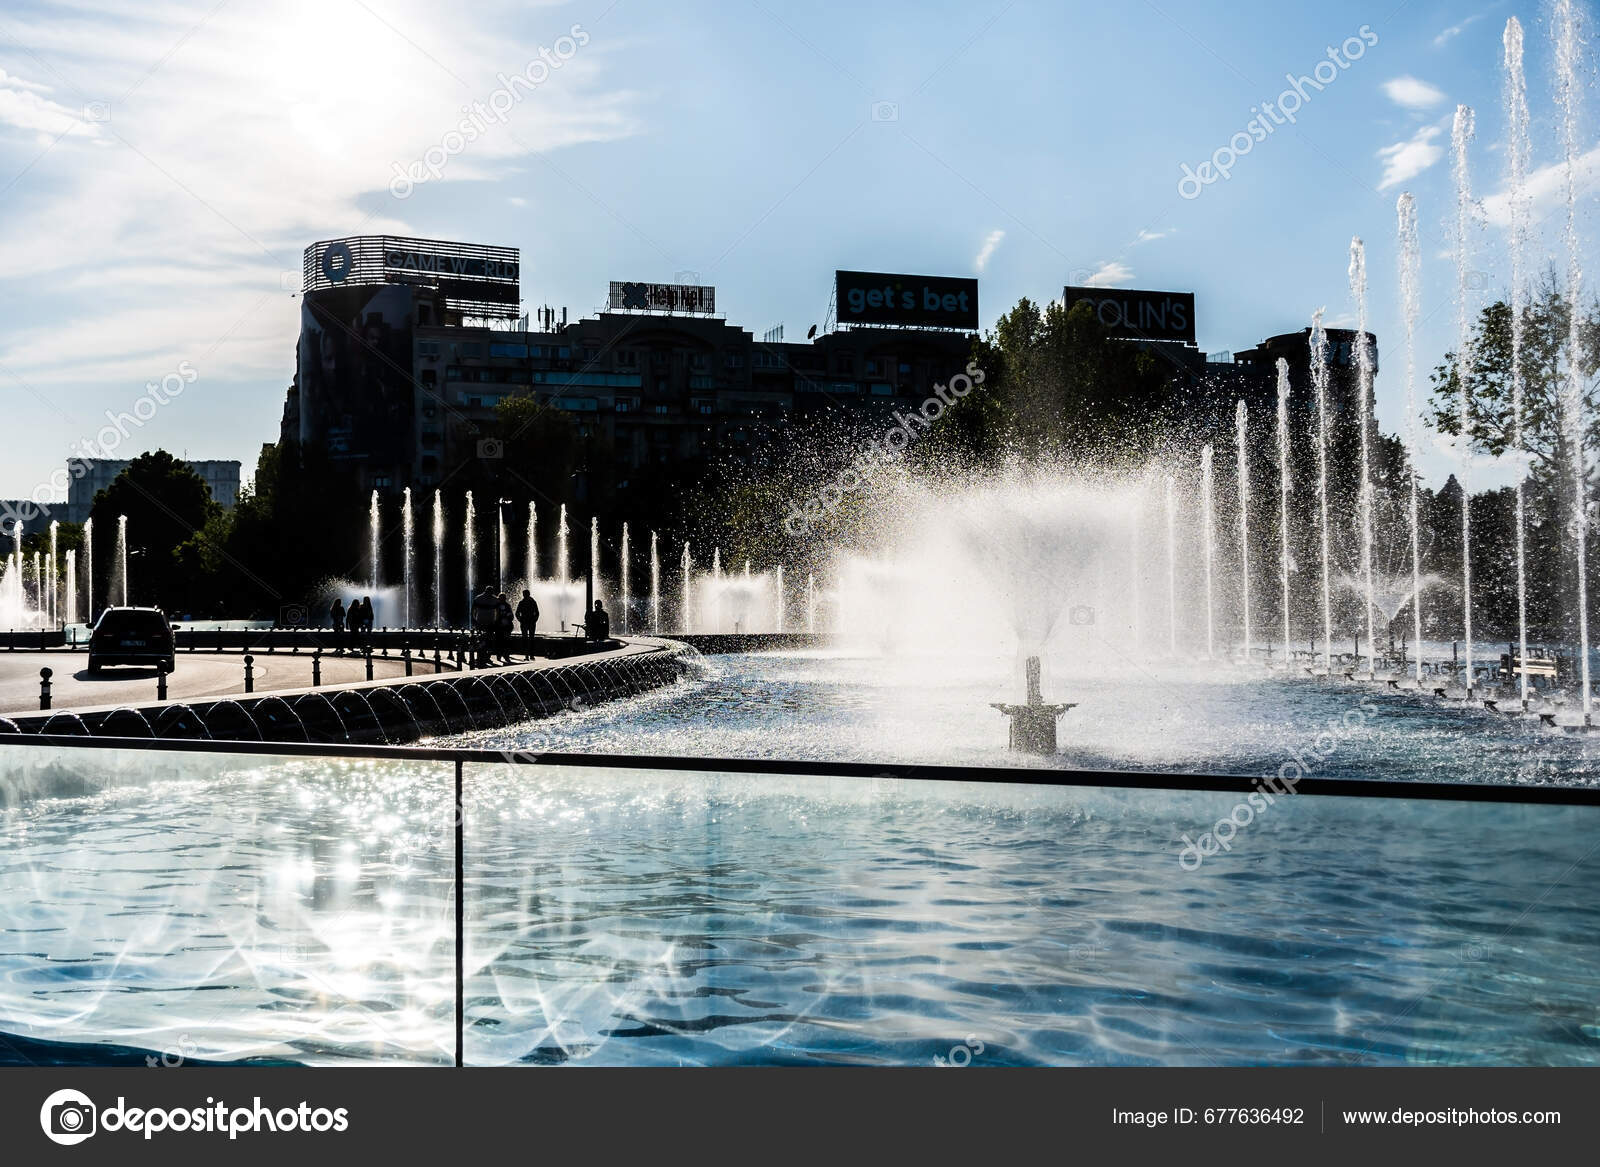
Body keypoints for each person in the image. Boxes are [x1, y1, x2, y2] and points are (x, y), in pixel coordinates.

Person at [470, 584, 498, 667]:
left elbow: (472, 610)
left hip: (482, 622)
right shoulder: (494, 599)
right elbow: (498, 611)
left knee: (483, 640)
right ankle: (484, 657)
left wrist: (473, 619)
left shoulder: (479, 598)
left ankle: (483, 657)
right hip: (487, 622)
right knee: (487, 640)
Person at [516, 590, 539, 658]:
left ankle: (530, 655)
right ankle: (528, 655)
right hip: (527, 622)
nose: (525, 595)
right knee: (527, 638)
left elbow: (537, 612)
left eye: (526, 594)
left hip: (529, 622)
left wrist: (534, 620)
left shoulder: (532, 602)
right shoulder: (522, 602)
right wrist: (520, 619)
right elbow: (517, 613)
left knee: (529, 638)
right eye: (524, 594)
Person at [495, 592, 515, 664]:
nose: (502, 599)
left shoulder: (507, 606)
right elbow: (495, 616)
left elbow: (511, 616)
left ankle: (505, 655)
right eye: (501, 598)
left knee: (505, 642)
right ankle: (500, 655)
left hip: (506, 626)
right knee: (500, 641)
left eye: (503, 598)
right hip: (500, 626)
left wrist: (508, 617)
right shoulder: (496, 606)